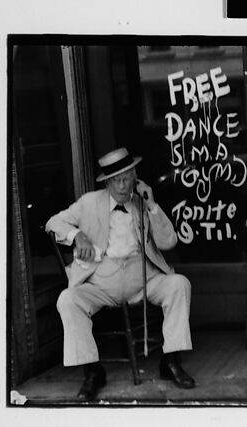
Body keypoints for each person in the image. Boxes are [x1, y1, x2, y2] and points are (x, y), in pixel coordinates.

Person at [46, 147, 195, 400]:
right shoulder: (89, 202)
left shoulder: (142, 201)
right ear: (107, 182)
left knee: (179, 284)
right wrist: (77, 235)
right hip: (102, 282)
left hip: (144, 279)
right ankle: (92, 371)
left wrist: (152, 205)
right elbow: (53, 223)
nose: (123, 186)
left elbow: (169, 241)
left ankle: (171, 361)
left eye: (128, 178)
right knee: (68, 300)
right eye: (116, 181)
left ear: (135, 177)